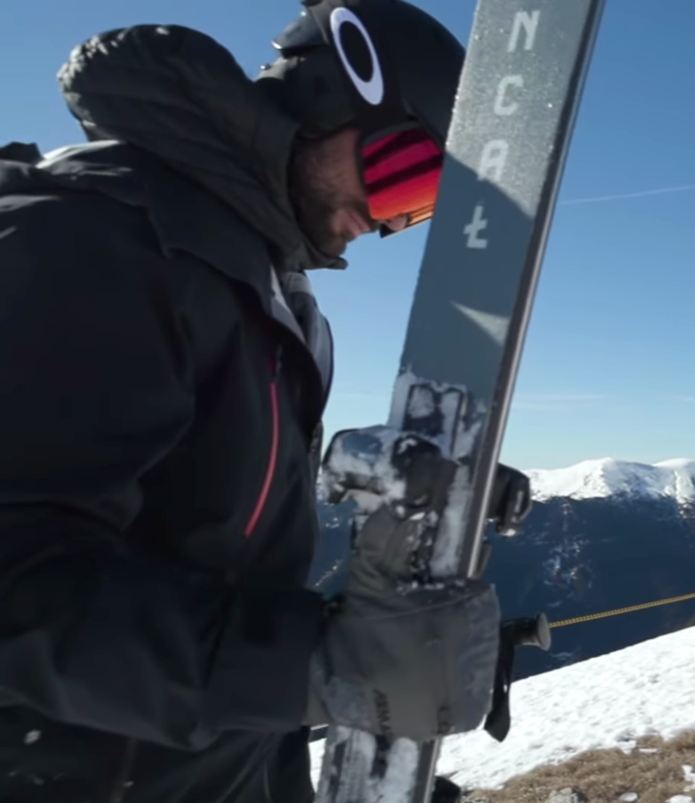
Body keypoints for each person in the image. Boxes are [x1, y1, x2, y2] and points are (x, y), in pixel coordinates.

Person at [0, 2, 509, 801]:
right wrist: (319, 667)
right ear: (325, 99)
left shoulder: (268, 297)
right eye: (401, 176)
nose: (379, 223)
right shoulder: (76, 245)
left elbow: (218, 562)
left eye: (415, 206)